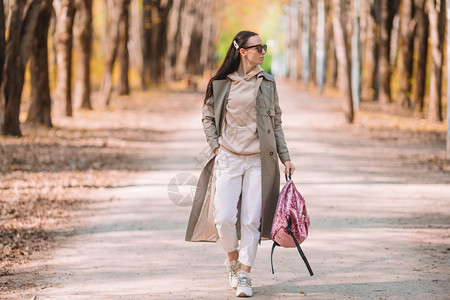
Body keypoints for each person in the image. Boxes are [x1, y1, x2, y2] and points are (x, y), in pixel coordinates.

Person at [185, 30, 294, 298]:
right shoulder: (221, 82)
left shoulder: (267, 82)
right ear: (242, 51)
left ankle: (245, 273)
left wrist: (285, 157)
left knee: (250, 221)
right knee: (222, 218)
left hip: (259, 161)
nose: (263, 51)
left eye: (264, 46)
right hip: (229, 159)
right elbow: (208, 117)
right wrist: (215, 145)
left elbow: (275, 123)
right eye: (258, 47)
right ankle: (232, 260)